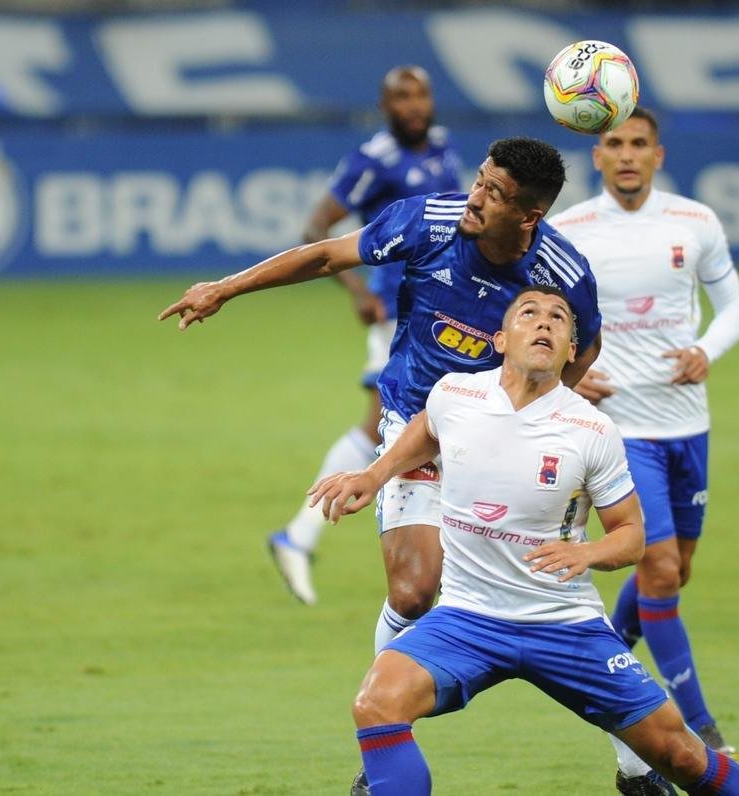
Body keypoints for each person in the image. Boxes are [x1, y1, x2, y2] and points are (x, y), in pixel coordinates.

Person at [308, 286, 739, 796]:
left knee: (679, 752)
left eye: (559, 319)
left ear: (573, 350)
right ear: (501, 339)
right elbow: (427, 431)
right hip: (467, 618)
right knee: (376, 701)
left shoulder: (591, 429)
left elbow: (632, 536)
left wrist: (586, 552)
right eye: (530, 314)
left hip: (563, 624)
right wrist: (373, 476)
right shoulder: (455, 394)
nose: (544, 323)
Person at [160, 136, 602, 641]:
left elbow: (586, 345)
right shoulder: (428, 222)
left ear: (529, 217)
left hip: (494, 439)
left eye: (495, 193)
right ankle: (381, 709)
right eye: (479, 180)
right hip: (412, 420)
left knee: (510, 596)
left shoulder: (563, 274)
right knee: (414, 592)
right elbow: (326, 255)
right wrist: (226, 287)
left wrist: (537, 408)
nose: (475, 198)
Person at [549, 107, 739, 794]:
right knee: (657, 565)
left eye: (638, 144)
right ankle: (697, 727)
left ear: (657, 154)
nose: (627, 155)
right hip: (617, 430)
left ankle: (614, 697)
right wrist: (573, 371)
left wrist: (706, 350)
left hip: (688, 425)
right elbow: (536, 317)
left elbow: (735, 309)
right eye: (614, 144)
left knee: (674, 572)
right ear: (596, 156)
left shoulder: (694, 223)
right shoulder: (569, 231)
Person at [267, 65, 461, 605]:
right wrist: (356, 291)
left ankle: (300, 538)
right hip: (399, 313)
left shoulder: (442, 148)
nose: (414, 105)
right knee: (384, 421)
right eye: (402, 97)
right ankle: (299, 535)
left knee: (433, 419)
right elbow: (316, 229)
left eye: (421, 94)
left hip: (442, 308)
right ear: (384, 105)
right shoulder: (374, 160)